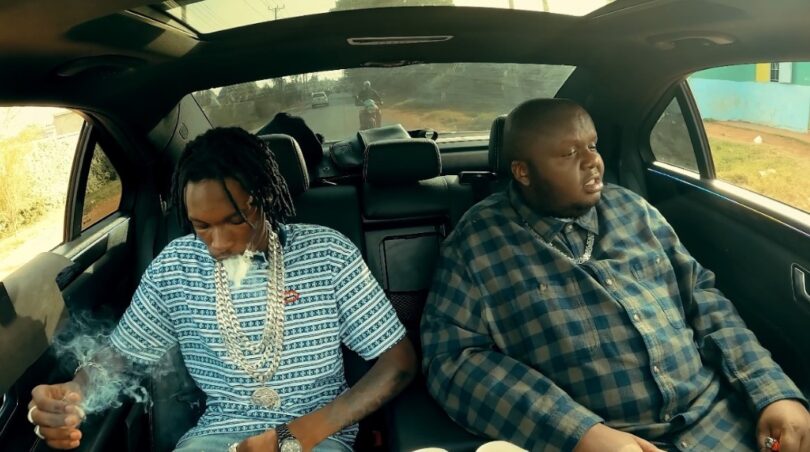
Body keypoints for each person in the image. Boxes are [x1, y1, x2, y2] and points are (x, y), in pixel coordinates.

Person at [421, 98, 810, 452]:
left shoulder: (633, 211)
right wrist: (579, 433)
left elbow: (704, 300)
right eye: (569, 153)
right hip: (608, 439)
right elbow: (452, 361)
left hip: (719, 422)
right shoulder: (477, 243)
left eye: (592, 145)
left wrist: (773, 392)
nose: (592, 161)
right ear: (523, 172)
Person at [27, 127, 417, 451]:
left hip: (316, 436)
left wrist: (293, 436)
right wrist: (77, 391)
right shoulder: (175, 267)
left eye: (234, 220)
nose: (218, 243)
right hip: (216, 436)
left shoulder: (326, 253)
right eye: (202, 226)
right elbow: (121, 356)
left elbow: (398, 363)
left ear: (266, 199)